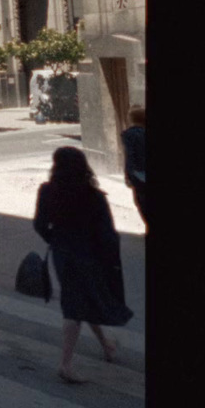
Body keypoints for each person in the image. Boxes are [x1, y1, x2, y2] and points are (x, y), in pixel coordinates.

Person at [33, 147, 133, 384]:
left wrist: (54, 240)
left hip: (62, 253)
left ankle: (106, 345)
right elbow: (107, 234)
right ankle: (65, 365)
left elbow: (39, 224)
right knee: (74, 306)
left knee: (81, 298)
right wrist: (109, 260)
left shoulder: (47, 192)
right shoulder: (94, 196)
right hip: (88, 254)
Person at [121, 107, 146, 228]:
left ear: (131, 119)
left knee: (140, 201)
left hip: (139, 173)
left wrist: (127, 175)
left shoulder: (129, 134)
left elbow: (129, 156)